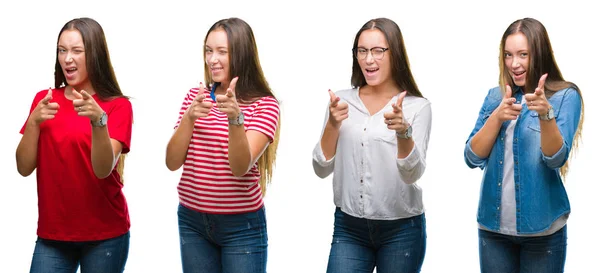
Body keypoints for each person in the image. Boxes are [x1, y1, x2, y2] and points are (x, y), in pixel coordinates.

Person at [464, 17, 584, 273]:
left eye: (523, 55)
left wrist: (545, 115)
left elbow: (555, 159)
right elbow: (472, 157)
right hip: (493, 229)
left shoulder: (565, 97)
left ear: (538, 54)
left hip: (542, 231)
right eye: (508, 55)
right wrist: (496, 117)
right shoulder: (496, 96)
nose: (514, 64)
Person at [312, 18, 431, 273]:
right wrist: (333, 124)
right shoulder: (341, 102)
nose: (368, 60)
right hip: (349, 227)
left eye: (378, 51)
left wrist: (403, 132)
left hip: (402, 230)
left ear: (395, 54)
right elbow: (321, 169)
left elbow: (412, 174)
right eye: (362, 51)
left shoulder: (417, 107)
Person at [16, 17, 133, 273]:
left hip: (106, 236)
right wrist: (34, 122)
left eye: (77, 51)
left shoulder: (117, 106)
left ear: (95, 55)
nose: (67, 58)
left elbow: (103, 169)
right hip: (53, 236)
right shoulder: (45, 100)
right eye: (62, 50)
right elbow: (23, 167)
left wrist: (99, 122)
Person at [165, 17, 280, 273]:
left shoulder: (264, 105)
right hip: (192, 221)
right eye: (208, 50)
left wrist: (235, 120)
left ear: (241, 54)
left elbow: (240, 167)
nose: (211, 59)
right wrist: (189, 118)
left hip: (242, 228)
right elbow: (172, 162)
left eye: (221, 51)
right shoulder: (196, 98)